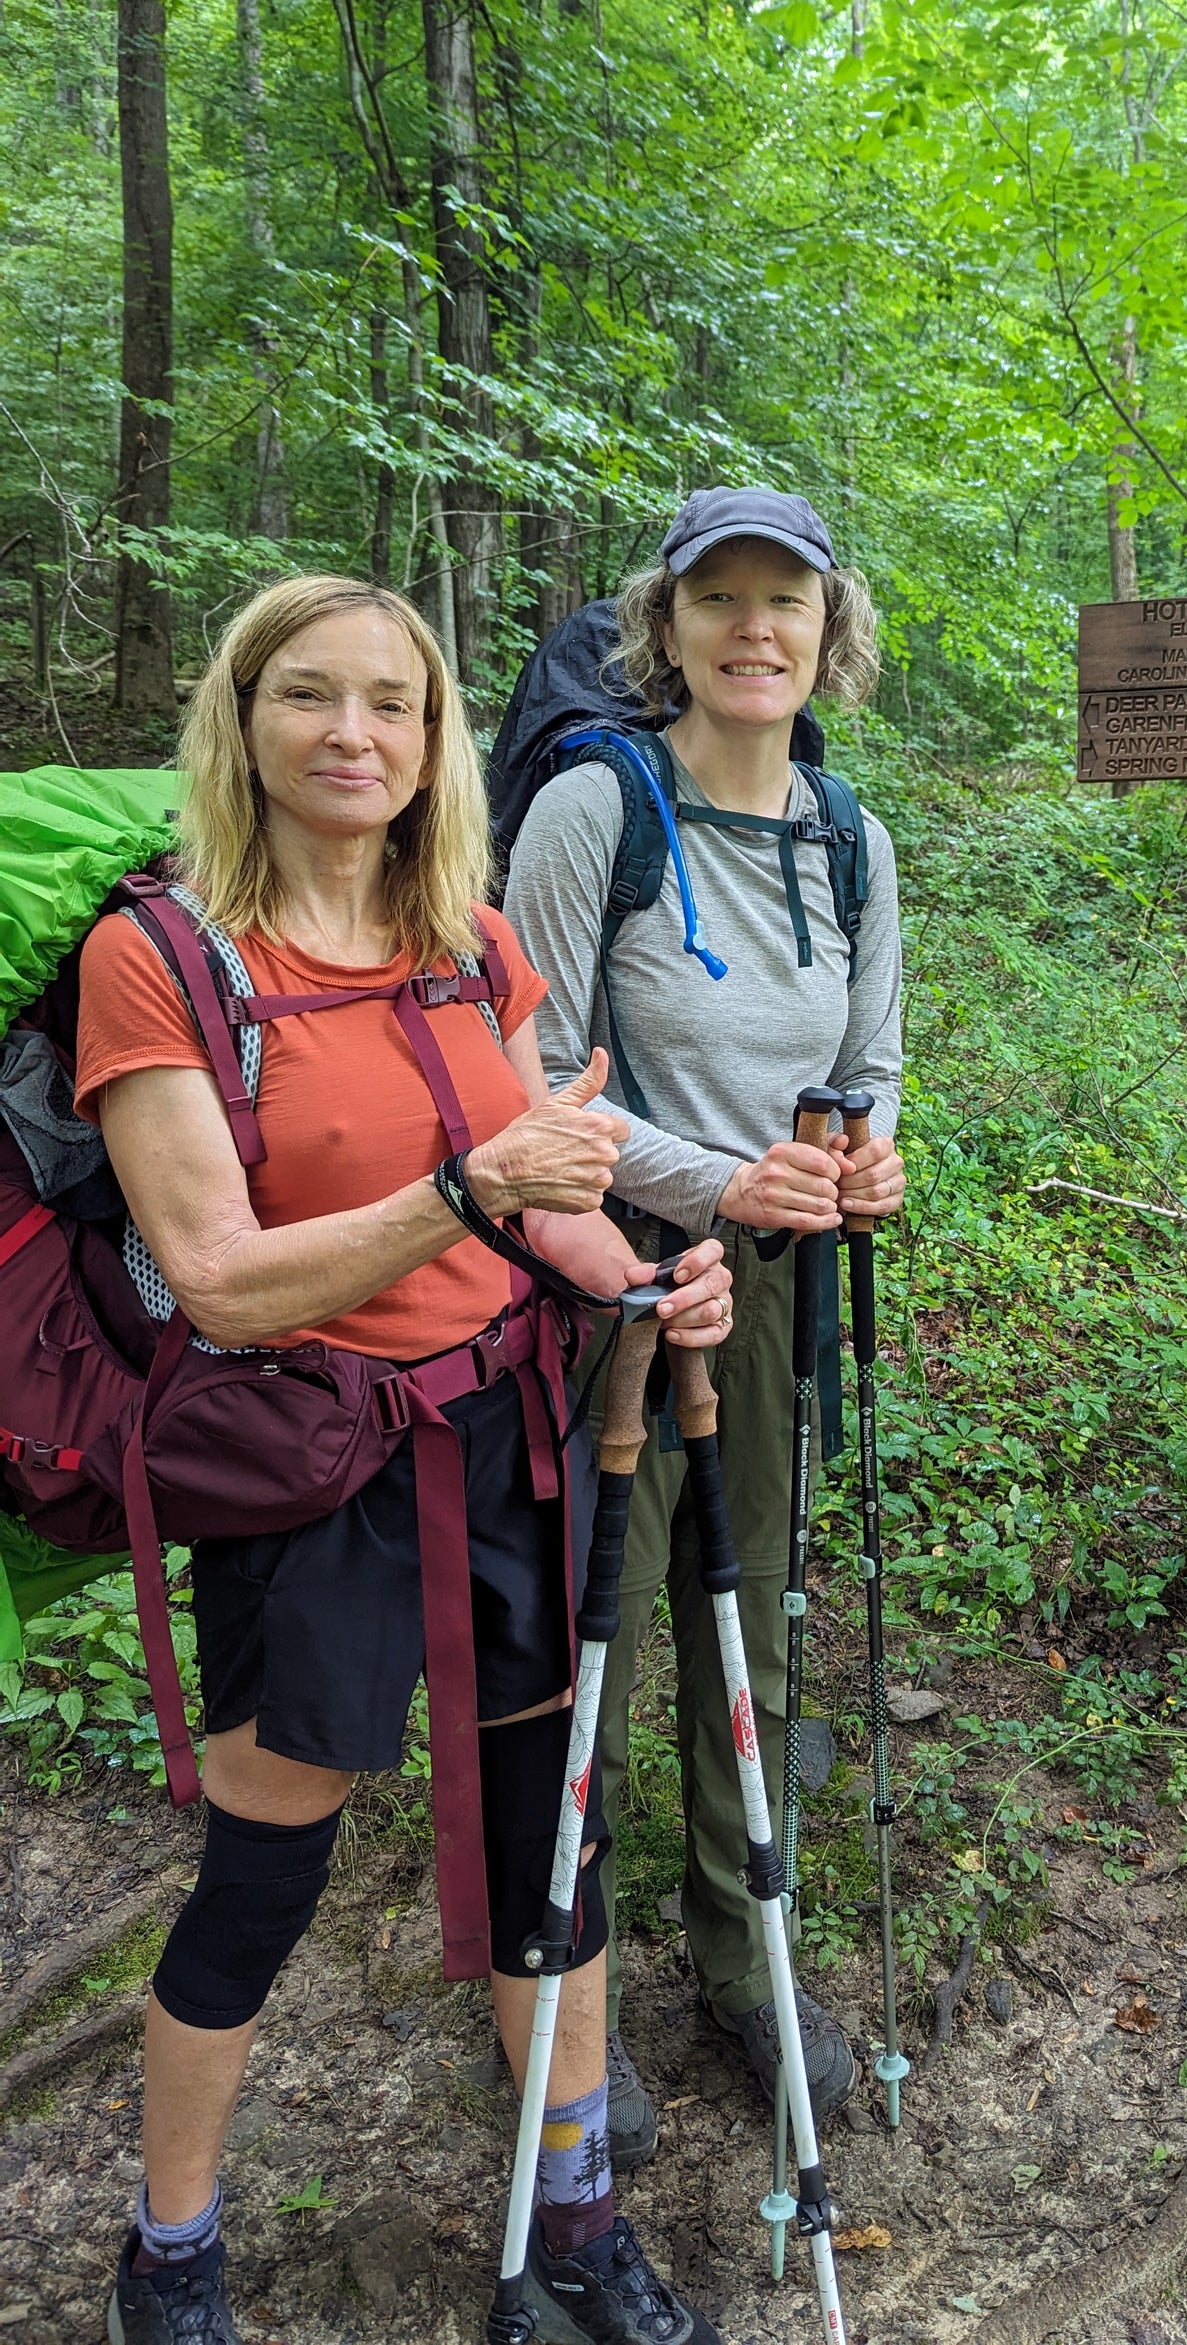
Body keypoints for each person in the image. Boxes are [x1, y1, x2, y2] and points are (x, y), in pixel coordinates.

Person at [78, 576, 734, 2345]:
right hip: (305, 1470)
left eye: (394, 701)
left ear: (438, 739)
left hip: (505, 1439)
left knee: (549, 1852)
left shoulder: (470, 938)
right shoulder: (165, 959)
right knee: (261, 1878)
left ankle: (572, 2213)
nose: (353, 733)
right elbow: (217, 1274)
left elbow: (547, 1193)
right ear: (242, 720)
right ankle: (170, 2249)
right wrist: (464, 1191)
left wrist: (643, 1274)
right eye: (309, 694)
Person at [505, 486, 903, 2159]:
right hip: (604, 1274)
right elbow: (525, 1078)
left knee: (751, 1630)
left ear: (827, 631)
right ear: (662, 627)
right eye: (718, 597)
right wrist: (715, 1179)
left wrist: (864, 1156)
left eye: (784, 600)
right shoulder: (597, 806)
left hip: (772, 1286)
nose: (755, 628)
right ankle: (561, 1997)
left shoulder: (848, 835)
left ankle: (747, 1960)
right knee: (586, 1639)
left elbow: (869, 1059)